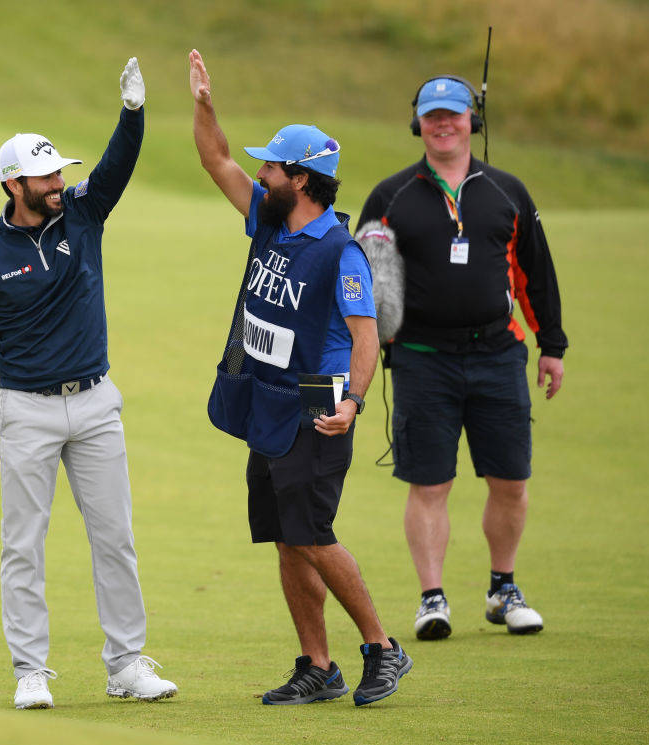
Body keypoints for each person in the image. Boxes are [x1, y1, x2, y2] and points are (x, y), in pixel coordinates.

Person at [0, 58, 177, 709]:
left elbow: (117, 165)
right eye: (46, 176)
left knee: (115, 538)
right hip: (26, 411)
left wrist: (133, 114)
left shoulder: (83, 214)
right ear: (14, 184)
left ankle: (126, 664)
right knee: (23, 545)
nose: (59, 183)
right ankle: (30, 669)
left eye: (60, 172)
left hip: (96, 403)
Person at [189, 49, 411, 707]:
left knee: (312, 533)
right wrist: (205, 106)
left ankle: (383, 647)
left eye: (272, 167)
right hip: (266, 397)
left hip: (318, 401)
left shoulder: (341, 253)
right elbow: (215, 160)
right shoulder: (269, 217)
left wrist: (354, 403)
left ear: (302, 179)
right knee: (286, 539)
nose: (260, 173)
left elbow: (366, 337)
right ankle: (318, 665)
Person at [357, 75, 568, 641]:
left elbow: (536, 272)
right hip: (422, 359)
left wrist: (552, 345)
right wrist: (368, 344)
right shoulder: (390, 196)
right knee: (430, 485)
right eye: (432, 116)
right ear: (418, 123)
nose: (443, 125)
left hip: (498, 353)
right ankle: (432, 599)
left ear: (472, 120)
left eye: (453, 114)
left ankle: (503, 589)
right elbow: (364, 280)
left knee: (511, 481)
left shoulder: (507, 192)